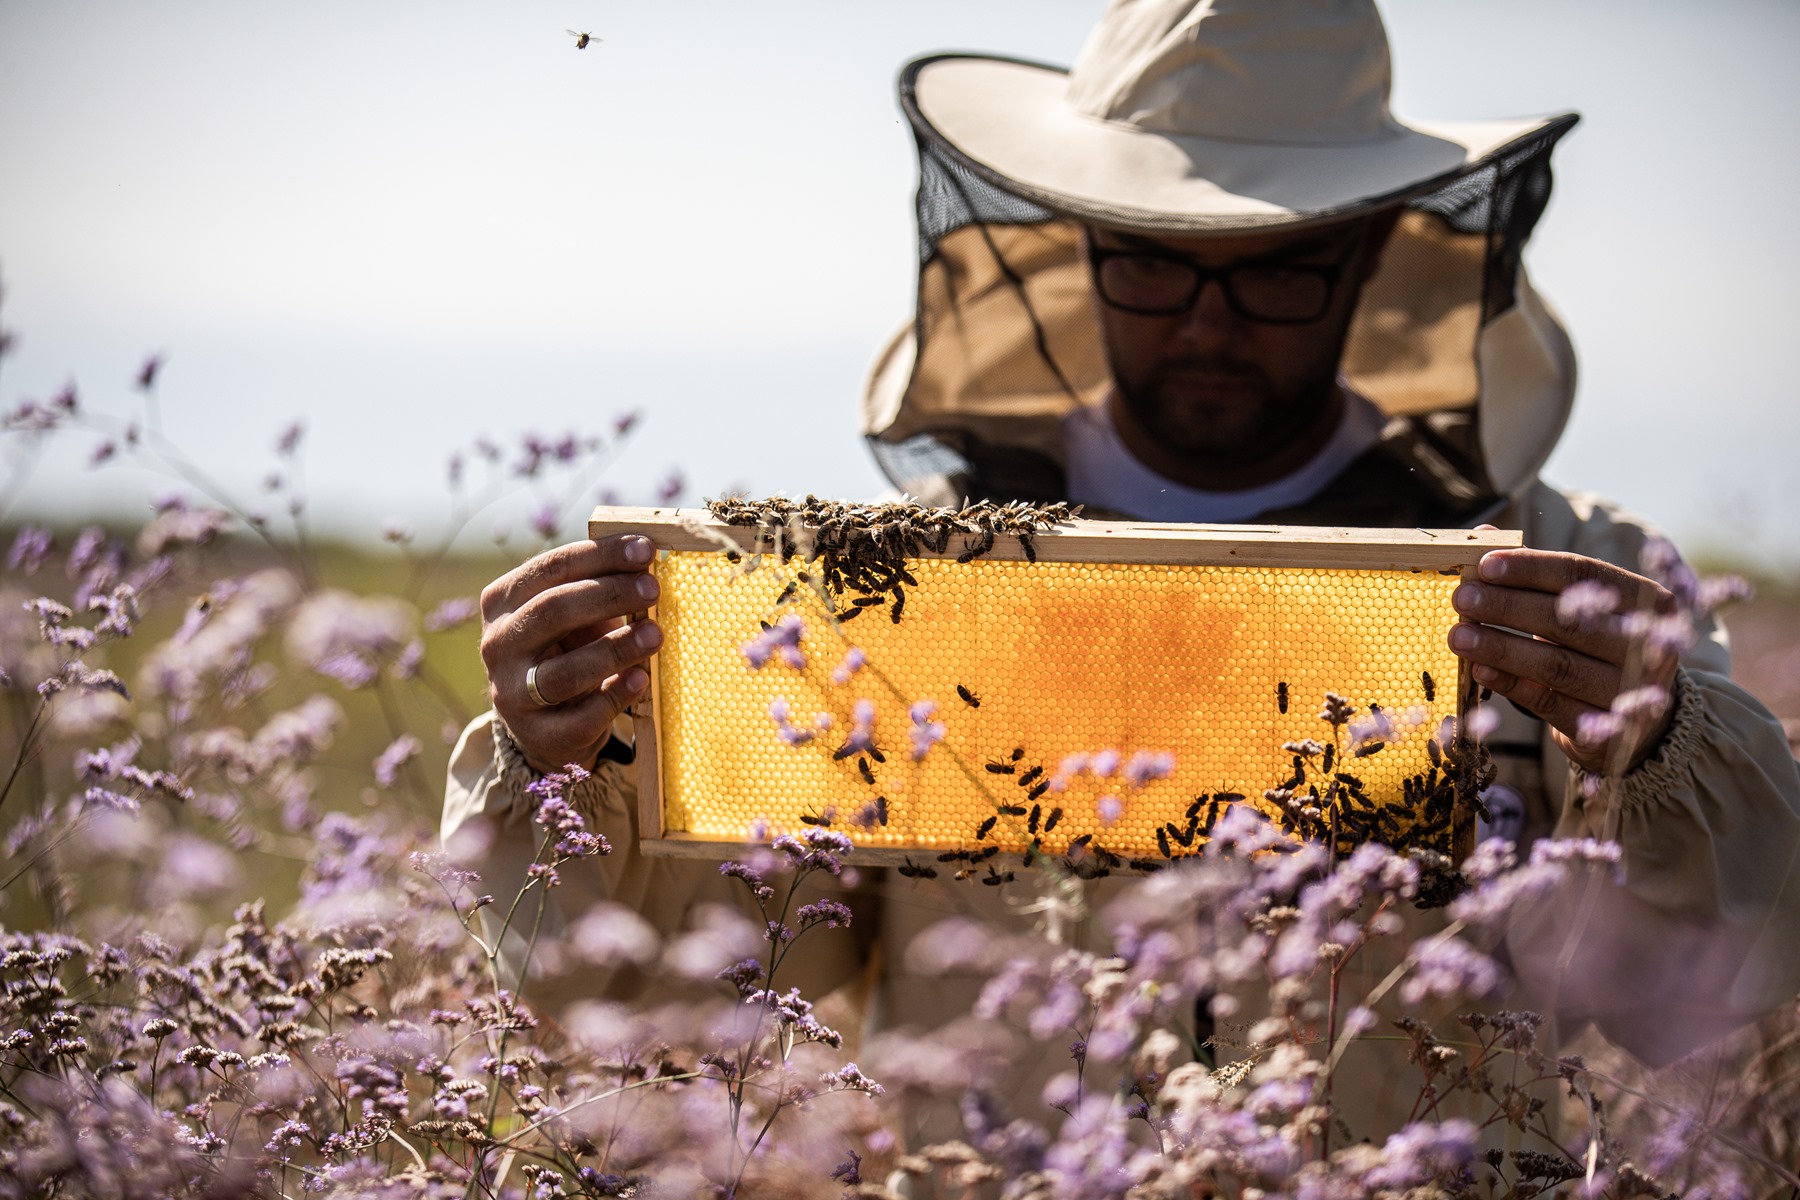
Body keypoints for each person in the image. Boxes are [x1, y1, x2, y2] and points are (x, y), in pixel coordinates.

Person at [446, 0, 1800, 1089]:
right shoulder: (892, 586)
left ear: (1375, 254)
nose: (1210, 322)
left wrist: (1662, 731)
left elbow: (1703, 992)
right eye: (1152, 259)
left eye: (1278, 268)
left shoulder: (1566, 568)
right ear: (1076, 247)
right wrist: (578, 772)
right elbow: (699, 1005)